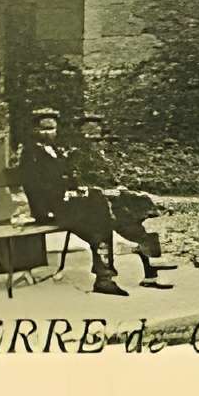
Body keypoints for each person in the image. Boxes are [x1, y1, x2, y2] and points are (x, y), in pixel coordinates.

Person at [9, 107, 173, 296]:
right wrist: (51, 207)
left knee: (116, 213)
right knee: (102, 221)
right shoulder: (31, 155)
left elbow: (69, 178)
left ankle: (143, 261)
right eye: (44, 129)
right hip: (52, 210)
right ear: (34, 130)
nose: (49, 133)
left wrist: (78, 189)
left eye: (52, 128)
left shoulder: (55, 150)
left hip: (69, 204)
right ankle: (112, 275)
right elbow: (35, 188)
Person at [76, 117, 175, 290]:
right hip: (91, 204)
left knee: (142, 231)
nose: (96, 140)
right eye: (90, 135)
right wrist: (103, 192)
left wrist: (119, 188)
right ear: (82, 135)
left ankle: (151, 275)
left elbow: (112, 180)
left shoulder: (103, 156)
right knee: (128, 228)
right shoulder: (77, 157)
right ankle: (112, 276)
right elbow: (76, 185)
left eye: (98, 136)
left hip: (112, 203)